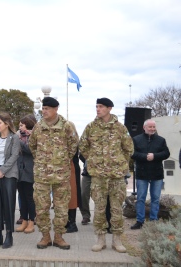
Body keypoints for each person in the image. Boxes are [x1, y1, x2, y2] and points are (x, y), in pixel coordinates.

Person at [79, 97, 133, 253]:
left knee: (117, 209)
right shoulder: (91, 127)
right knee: (99, 208)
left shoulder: (120, 128)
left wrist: (119, 162)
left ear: (109, 108)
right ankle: (100, 239)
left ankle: (117, 240)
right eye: (96, 106)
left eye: (101, 106)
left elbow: (129, 148)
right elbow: (83, 146)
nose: (98, 109)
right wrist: (94, 160)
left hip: (116, 176)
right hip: (98, 176)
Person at [28, 97, 78, 250]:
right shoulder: (38, 127)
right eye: (43, 109)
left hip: (61, 175)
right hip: (42, 175)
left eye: (47, 109)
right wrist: (43, 161)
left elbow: (73, 145)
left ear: (56, 109)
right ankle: (45, 236)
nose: (44, 111)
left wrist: (61, 161)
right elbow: (32, 146)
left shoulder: (67, 126)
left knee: (61, 208)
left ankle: (59, 237)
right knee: (41, 207)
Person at [0, 112, 20, 249]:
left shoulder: (14, 138)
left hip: (9, 174)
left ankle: (8, 236)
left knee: (8, 204)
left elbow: (14, 156)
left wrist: (2, 170)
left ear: (7, 124)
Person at [130, 119, 170, 229]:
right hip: (142, 174)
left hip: (157, 174)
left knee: (155, 199)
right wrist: (145, 157)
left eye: (153, 127)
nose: (152, 129)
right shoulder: (136, 139)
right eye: (150, 127)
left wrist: (154, 156)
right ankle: (140, 221)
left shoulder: (161, 140)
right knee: (141, 198)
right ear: (144, 127)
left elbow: (166, 153)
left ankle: (153, 220)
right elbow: (132, 153)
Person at [15, 115, 37, 234]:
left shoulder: (33, 136)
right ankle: (23, 220)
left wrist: (18, 142)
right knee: (22, 197)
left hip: (30, 171)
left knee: (29, 197)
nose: (19, 127)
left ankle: (31, 221)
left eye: (21, 125)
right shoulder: (19, 136)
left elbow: (30, 150)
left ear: (27, 125)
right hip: (19, 171)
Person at [65, 122, 81, 234]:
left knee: (72, 196)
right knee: (63, 195)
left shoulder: (74, 140)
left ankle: (72, 222)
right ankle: (66, 221)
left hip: (72, 169)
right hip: (63, 169)